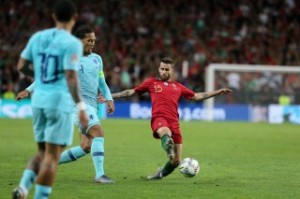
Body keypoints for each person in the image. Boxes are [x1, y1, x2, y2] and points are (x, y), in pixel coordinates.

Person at [102, 57, 232, 180]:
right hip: (159, 118)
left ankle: (160, 174)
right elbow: (130, 92)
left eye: (167, 69)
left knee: (176, 161)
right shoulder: (151, 83)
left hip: (174, 122)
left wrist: (217, 92)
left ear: (172, 71)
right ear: (159, 69)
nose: (164, 71)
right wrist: (110, 96)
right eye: (162, 69)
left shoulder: (178, 86)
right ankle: (169, 149)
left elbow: (197, 96)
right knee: (165, 133)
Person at [16, 25, 115, 184]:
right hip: (76, 105)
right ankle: (100, 175)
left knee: (86, 146)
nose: (92, 43)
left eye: (94, 40)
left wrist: (109, 98)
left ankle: (47, 163)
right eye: (89, 40)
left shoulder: (97, 59)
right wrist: (28, 90)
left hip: (91, 106)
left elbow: (102, 83)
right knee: (98, 132)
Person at [12, 1, 89, 198]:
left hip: (38, 102)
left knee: (42, 152)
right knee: (52, 156)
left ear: (54, 16)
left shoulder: (38, 37)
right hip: (58, 102)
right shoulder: (72, 43)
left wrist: (42, 75)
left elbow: (21, 66)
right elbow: (71, 77)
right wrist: (80, 107)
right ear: (75, 17)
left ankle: (22, 187)